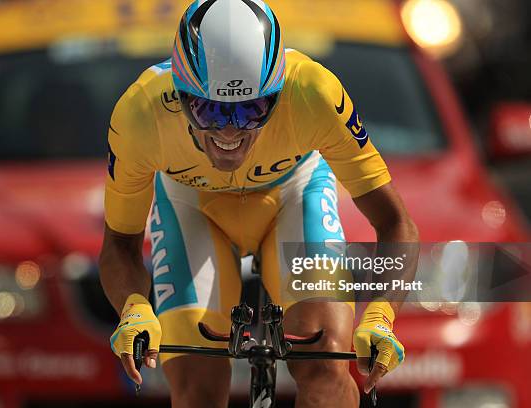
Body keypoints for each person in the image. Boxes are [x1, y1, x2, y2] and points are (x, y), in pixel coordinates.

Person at [100, 0, 418, 407]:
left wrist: (382, 314)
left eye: (252, 110)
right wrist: (133, 308)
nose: (230, 132)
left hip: (293, 194)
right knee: (198, 387)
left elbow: (395, 222)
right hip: (191, 206)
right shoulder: (139, 113)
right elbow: (120, 243)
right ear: (179, 96)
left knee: (326, 368)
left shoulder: (313, 92)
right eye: (209, 109)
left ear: (278, 93)